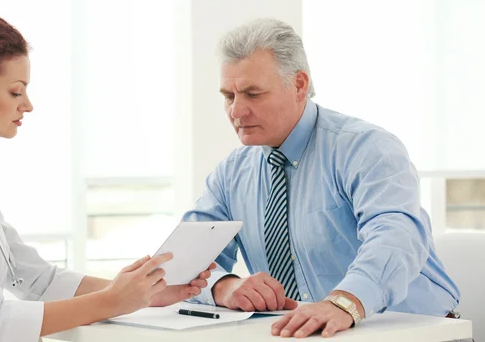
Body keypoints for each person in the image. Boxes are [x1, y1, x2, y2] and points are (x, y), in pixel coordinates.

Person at [0, 12, 213, 342]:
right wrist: (113, 301)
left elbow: (36, 279)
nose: (27, 105)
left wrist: (145, 293)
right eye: (16, 92)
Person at [183, 18, 460, 338]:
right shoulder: (231, 173)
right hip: (306, 333)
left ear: (299, 85)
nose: (236, 111)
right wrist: (224, 286)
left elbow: (397, 236)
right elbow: (182, 264)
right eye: (229, 96)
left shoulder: (365, 149)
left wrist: (344, 302)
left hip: (414, 331)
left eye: (253, 94)